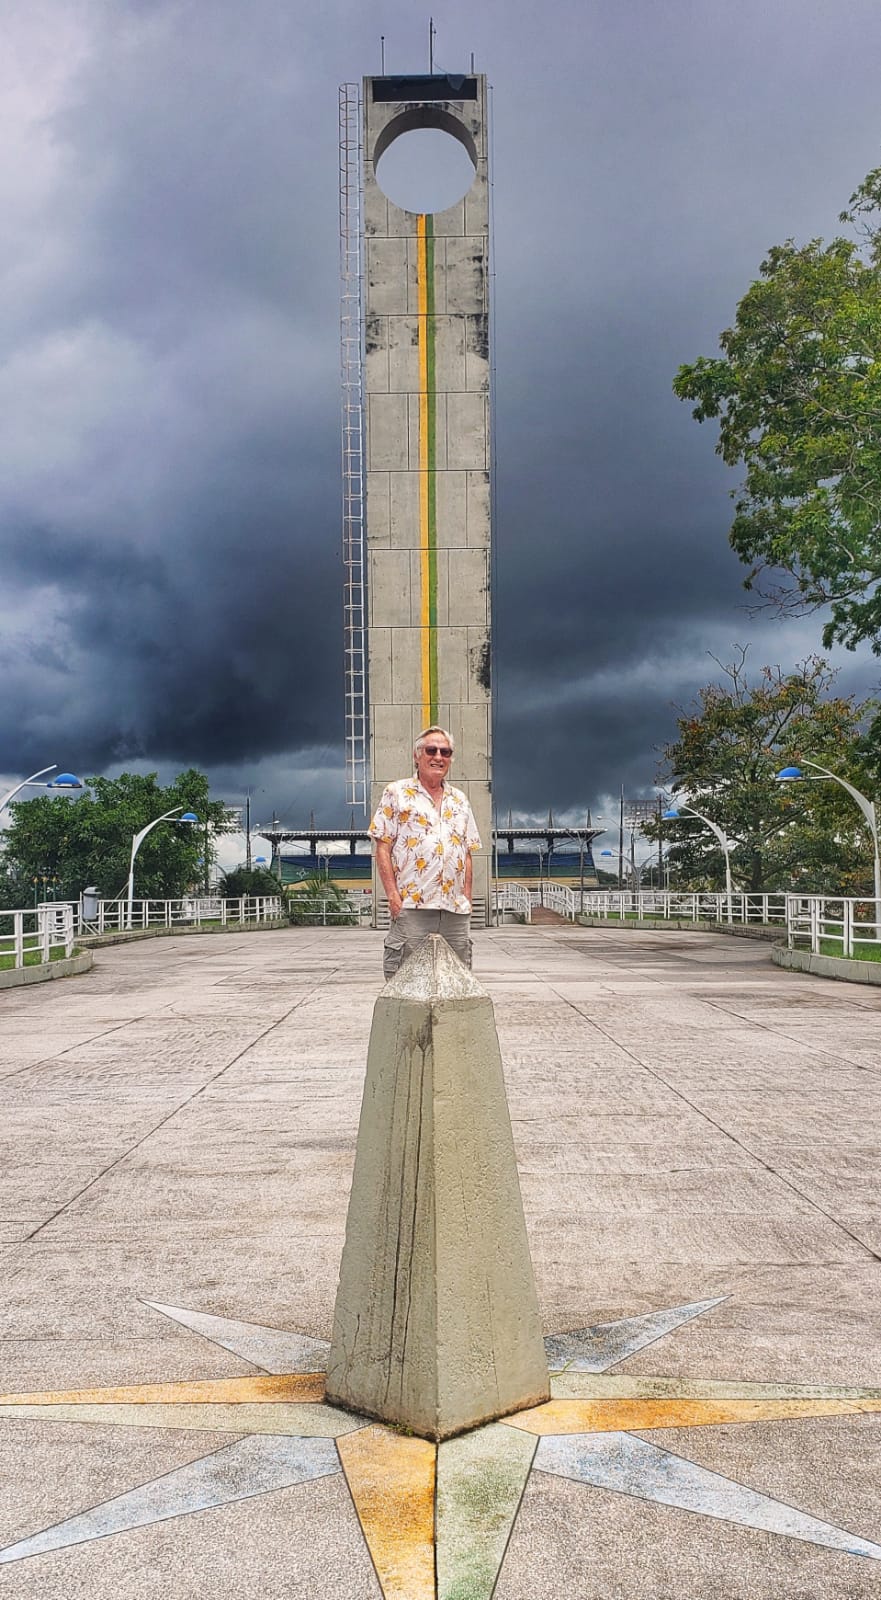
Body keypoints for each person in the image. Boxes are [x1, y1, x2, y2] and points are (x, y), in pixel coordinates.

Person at [369, 725, 481, 978]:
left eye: (445, 752)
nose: (438, 757)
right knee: (406, 980)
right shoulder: (396, 793)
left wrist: (467, 898)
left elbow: (467, 851)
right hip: (412, 906)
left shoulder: (460, 800)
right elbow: (383, 847)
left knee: (457, 980)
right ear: (416, 755)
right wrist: (394, 898)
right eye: (431, 750)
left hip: (454, 910)